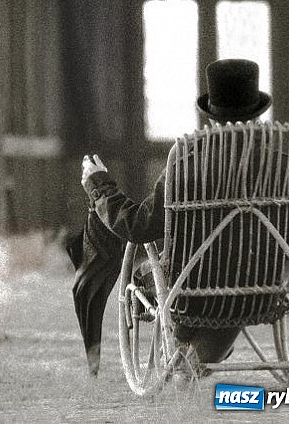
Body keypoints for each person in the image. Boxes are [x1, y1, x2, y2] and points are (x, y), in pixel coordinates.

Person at [81, 59, 272, 366]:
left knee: (146, 274)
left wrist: (99, 186)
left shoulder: (188, 162)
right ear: (258, 112)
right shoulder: (282, 162)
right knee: (229, 272)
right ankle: (202, 350)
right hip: (266, 287)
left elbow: (140, 226)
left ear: (211, 116)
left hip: (197, 293)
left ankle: (191, 348)